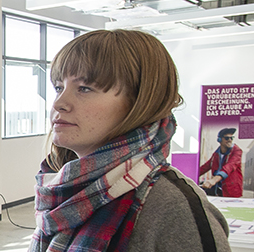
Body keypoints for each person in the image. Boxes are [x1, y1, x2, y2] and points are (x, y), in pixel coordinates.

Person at [31, 29, 230, 252]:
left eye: (85, 88)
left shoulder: (174, 207)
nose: (59, 103)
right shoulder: (61, 187)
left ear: (140, 102)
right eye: (59, 87)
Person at [199, 128, 243, 197]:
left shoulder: (237, 151)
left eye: (231, 138)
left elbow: (230, 166)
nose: (229, 140)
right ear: (219, 140)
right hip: (218, 190)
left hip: (231, 192)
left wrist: (214, 180)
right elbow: (205, 167)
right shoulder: (216, 155)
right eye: (226, 138)